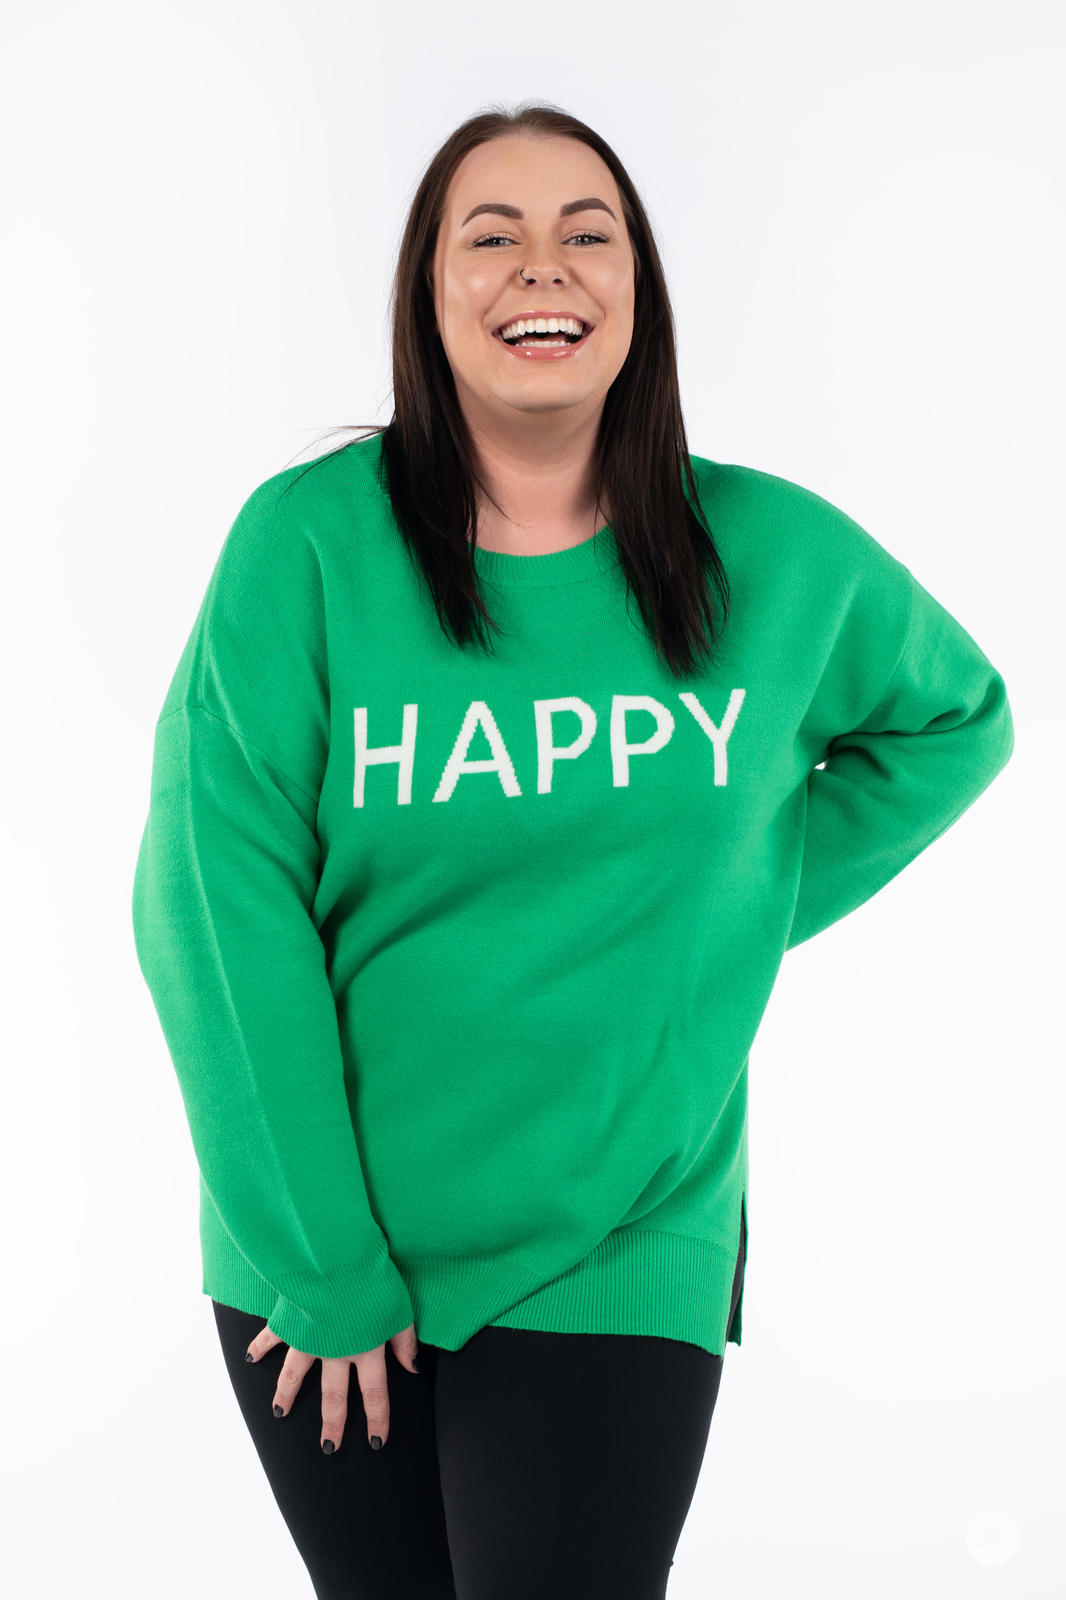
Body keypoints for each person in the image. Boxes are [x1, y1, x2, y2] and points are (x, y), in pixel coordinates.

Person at [131, 102, 1014, 1600]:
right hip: (326, 1240)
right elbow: (212, 906)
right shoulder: (306, 546)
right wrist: (323, 1261)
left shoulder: (777, 557)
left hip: (622, 1231)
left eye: (586, 233)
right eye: (492, 237)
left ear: (637, 288)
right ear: (428, 297)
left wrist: (710, 914)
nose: (543, 267)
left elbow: (957, 724)